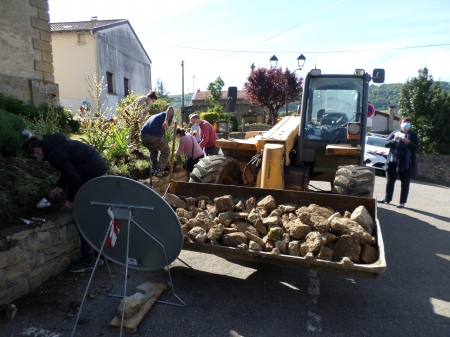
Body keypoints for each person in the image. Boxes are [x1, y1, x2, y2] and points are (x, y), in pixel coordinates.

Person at [23, 134, 109, 272]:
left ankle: (88, 260)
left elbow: (75, 177)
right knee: (94, 215)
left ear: (37, 150)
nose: (36, 159)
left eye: (33, 156)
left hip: (93, 177)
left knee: (81, 217)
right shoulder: (57, 147)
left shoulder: (55, 154)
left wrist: (71, 200)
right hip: (97, 173)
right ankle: (105, 252)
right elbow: (69, 170)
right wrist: (59, 186)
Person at [378, 117, 420, 208]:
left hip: (406, 163)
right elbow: (386, 143)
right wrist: (394, 140)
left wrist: (407, 142)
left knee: (405, 183)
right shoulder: (395, 133)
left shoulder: (413, 135)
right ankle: (387, 199)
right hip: (393, 161)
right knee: (390, 181)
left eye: (408, 122)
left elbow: (416, 147)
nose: (407, 124)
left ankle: (402, 202)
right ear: (400, 124)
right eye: (405, 122)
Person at [141, 106, 174, 176]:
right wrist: (166, 120)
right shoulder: (165, 115)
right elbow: (170, 109)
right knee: (166, 150)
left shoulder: (156, 116)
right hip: (153, 135)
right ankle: (160, 170)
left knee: (153, 151)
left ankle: (154, 170)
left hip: (143, 136)